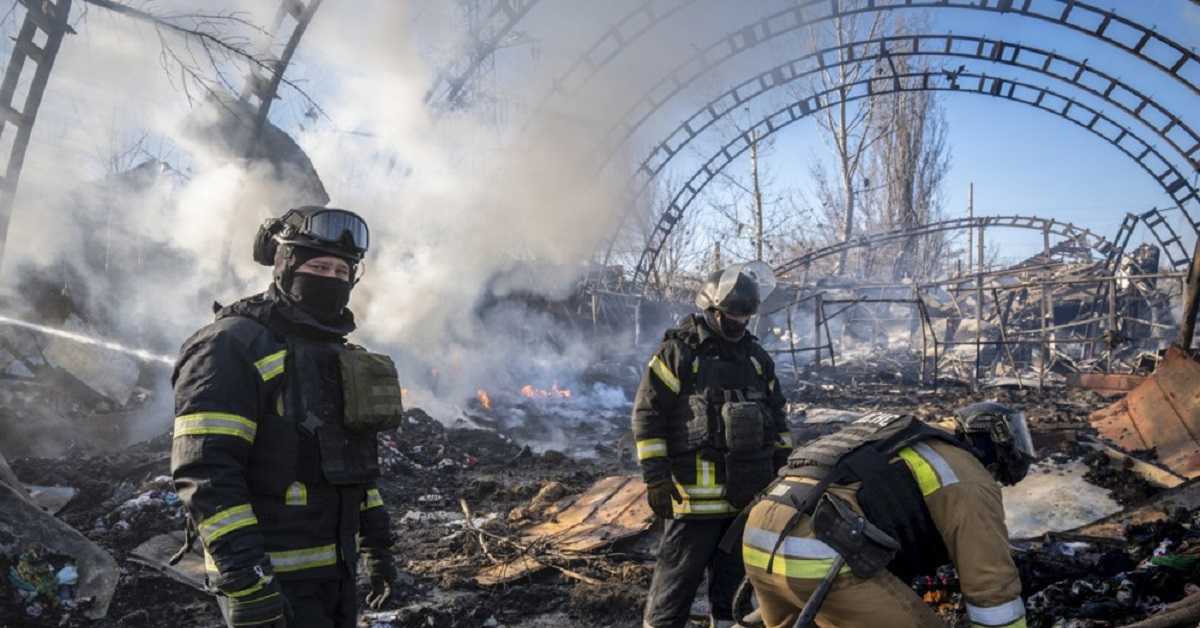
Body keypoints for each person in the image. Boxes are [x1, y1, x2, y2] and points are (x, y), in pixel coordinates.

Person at [171, 207, 402, 628]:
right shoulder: (231, 345)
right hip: (269, 579)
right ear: (284, 264)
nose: (330, 278)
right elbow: (206, 472)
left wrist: (376, 547)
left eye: (340, 270)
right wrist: (247, 580)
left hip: (335, 574)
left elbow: (356, 470)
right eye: (317, 265)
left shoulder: (338, 356)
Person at [738, 402, 1035, 628]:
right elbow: (991, 586)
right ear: (998, 441)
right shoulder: (967, 476)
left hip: (758, 535)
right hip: (818, 549)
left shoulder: (911, 444)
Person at [632, 264, 793, 628]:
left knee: (733, 596)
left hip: (744, 503)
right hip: (692, 505)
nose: (738, 324)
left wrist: (783, 475)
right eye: (731, 316)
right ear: (712, 308)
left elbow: (778, 421)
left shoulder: (755, 359)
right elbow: (648, 415)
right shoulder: (679, 353)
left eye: (744, 316)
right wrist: (656, 479)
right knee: (672, 596)